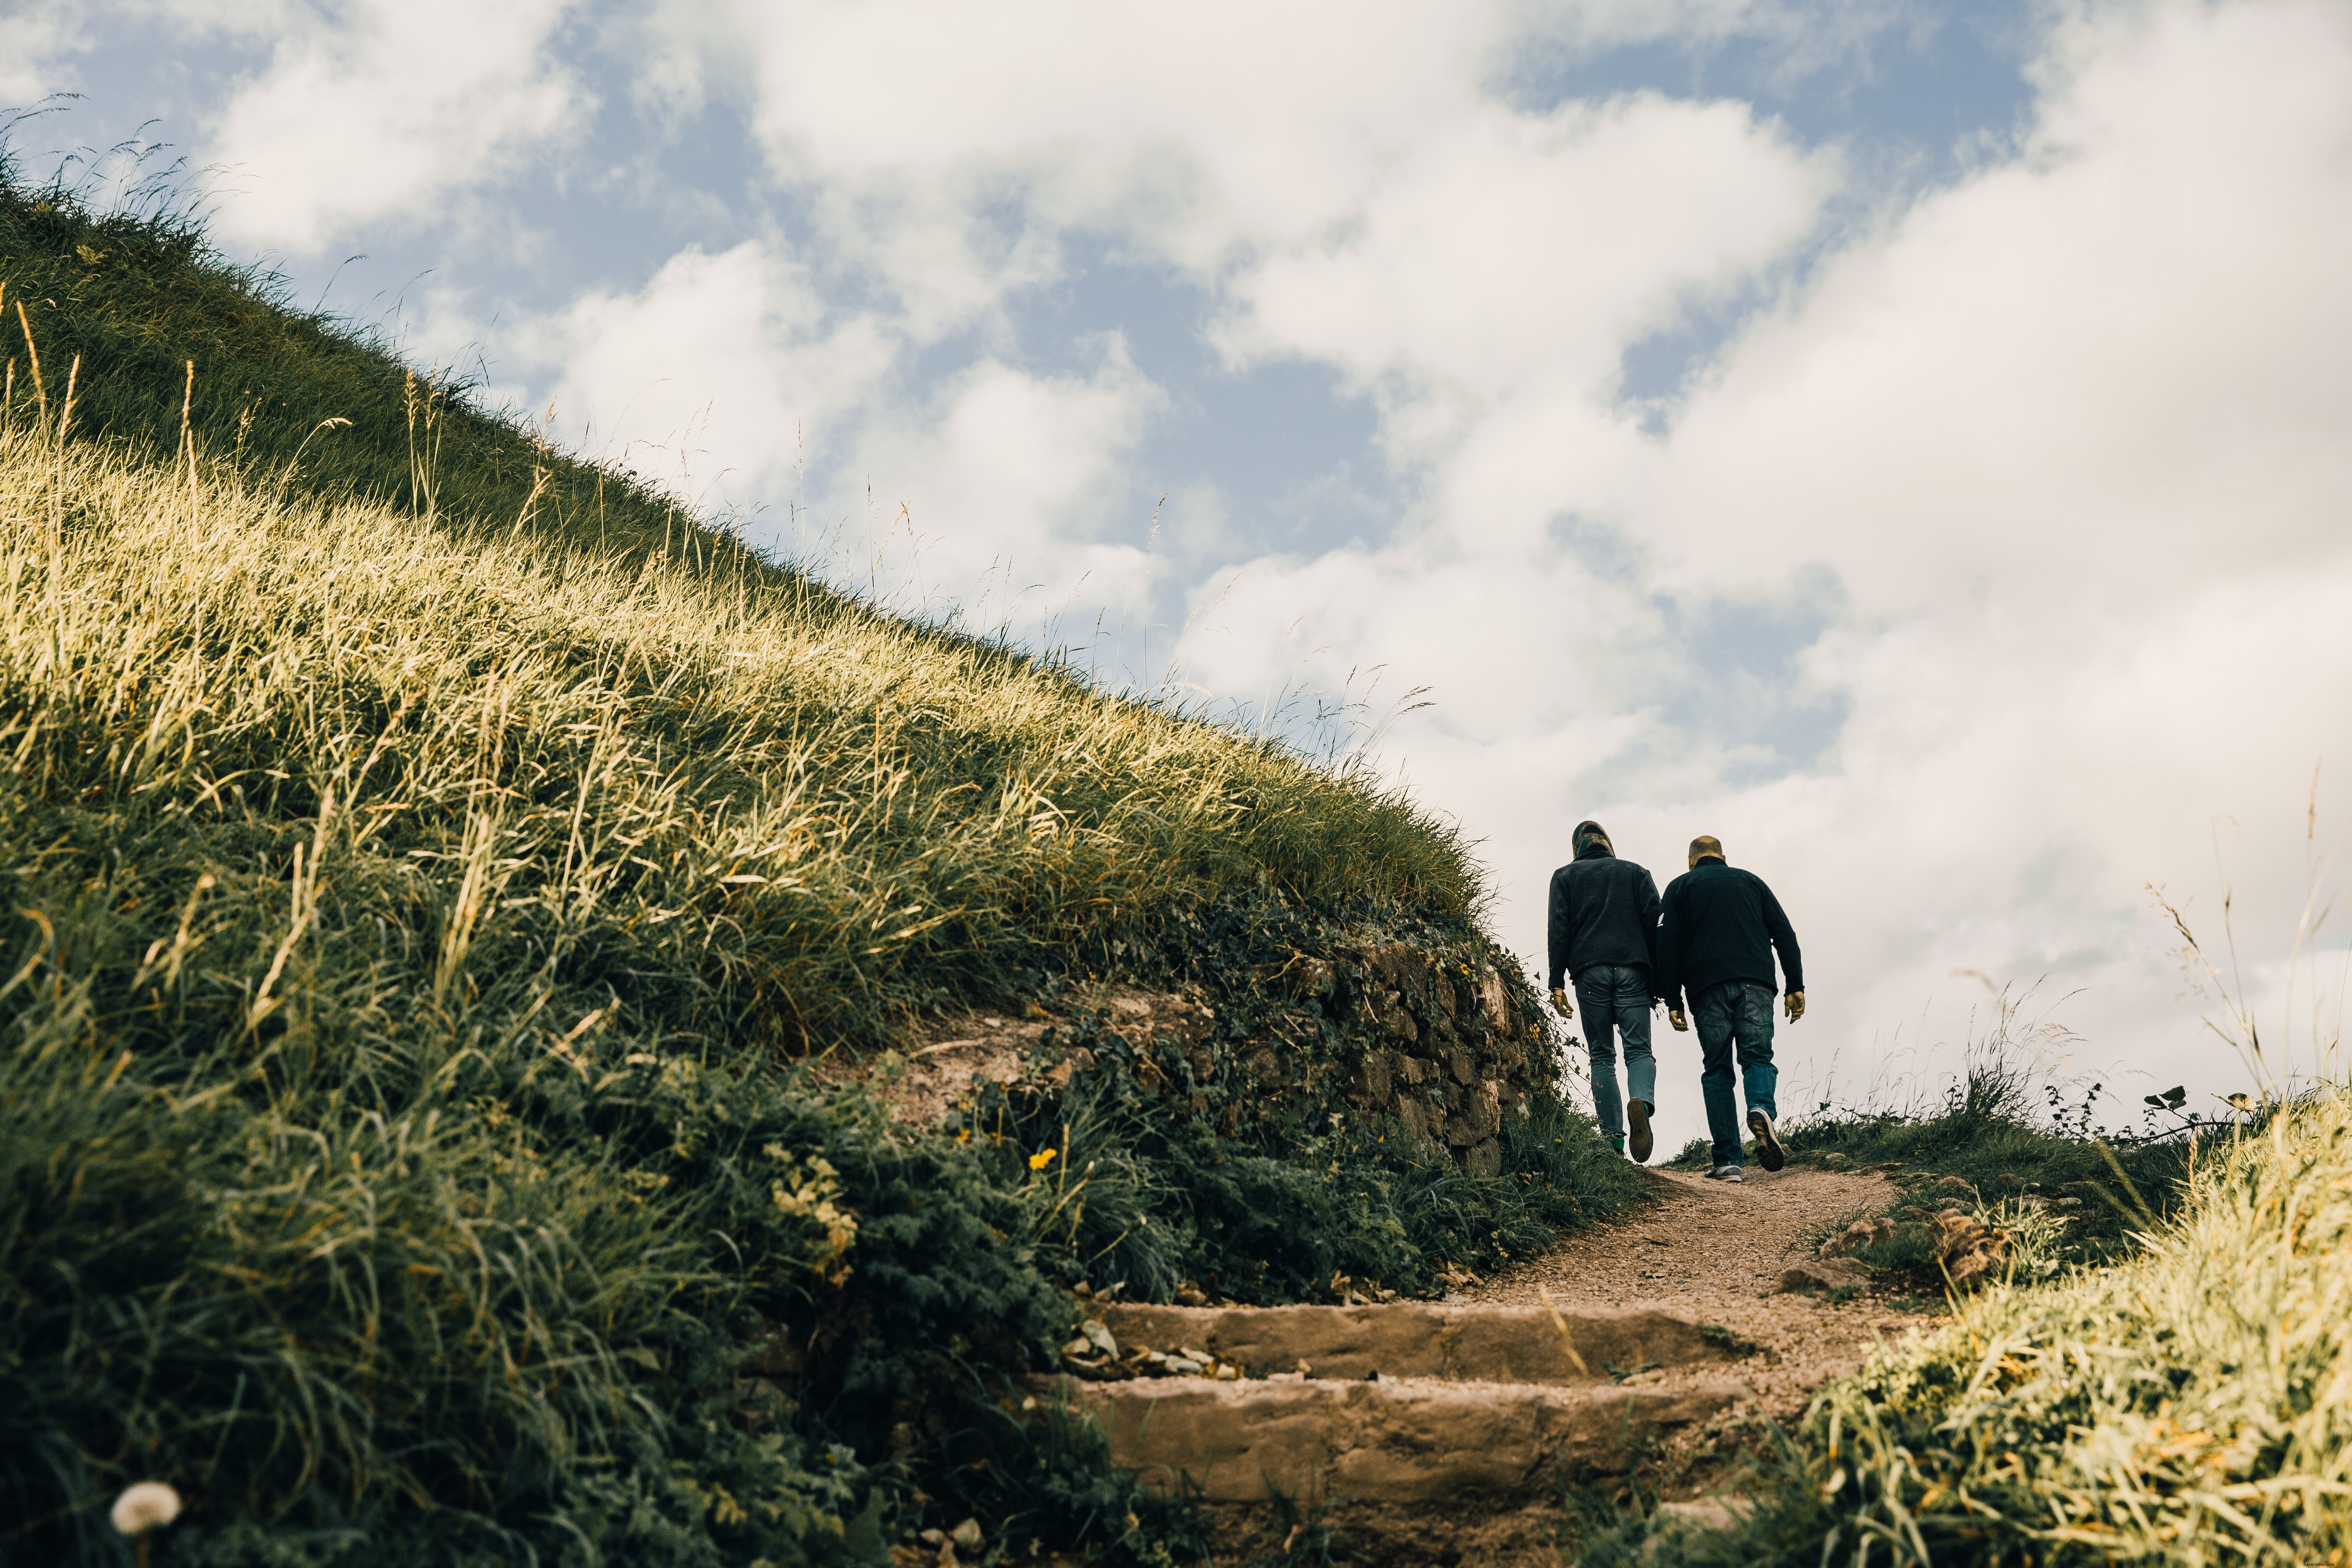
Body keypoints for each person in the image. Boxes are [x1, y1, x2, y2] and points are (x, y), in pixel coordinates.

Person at [1657, 835, 1804, 1182]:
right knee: (1757, 1058)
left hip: (1706, 988)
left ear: (1690, 861)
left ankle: (1727, 1162)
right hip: (1756, 982)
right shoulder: (1752, 882)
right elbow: (1785, 934)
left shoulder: (1679, 887)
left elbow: (1667, 946)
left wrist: (1672, 999)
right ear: (1723, 857)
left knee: (1718, 1069)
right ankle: (1761, 1109)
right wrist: (1795, 985)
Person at [1545, 820, 1663, 1162]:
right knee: (1639, 1051)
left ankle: (1612, 1142)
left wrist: (1556, 982)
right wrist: (1658, 982)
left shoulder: (1565, 877)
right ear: (1608, 844)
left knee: (1602, 1056)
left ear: (1576, 848)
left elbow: (1559, 930)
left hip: (1589, 971)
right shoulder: (1636, 872)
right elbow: (1655, 927)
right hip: (1634, 970)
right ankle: (1640, 1100)